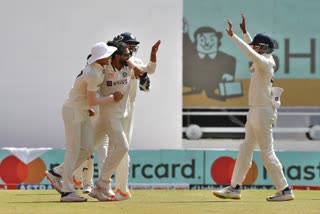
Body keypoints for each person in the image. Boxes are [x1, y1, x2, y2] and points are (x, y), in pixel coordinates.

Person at [213, 14, 295, 201]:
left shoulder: (265, 63)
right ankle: (234, 188)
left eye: (257, 46)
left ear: (264, 49)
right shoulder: (263, 58)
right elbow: (253, 49)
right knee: (246, 148)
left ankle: (285, 190)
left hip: (263, 111)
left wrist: (234, 36)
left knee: (267, 152)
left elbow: (250, 52)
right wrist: (244, 32)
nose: (254, 47)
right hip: (255, 110)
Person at [76, 33, 160, 200]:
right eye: (128, 45)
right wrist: (89, 107)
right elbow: (91, 80)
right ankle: (94, 182)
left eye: (133, 46)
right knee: (107, 147)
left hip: (125, 109)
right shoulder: (107, 63)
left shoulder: (131, 62)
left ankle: (115, 186)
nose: (131, 49)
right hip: (106, 108)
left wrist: (152, 55)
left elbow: (150, 70)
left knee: (109, 148)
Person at [45, 42, 121, 202]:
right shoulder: (92, 72)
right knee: (73, 149)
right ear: (100, 58)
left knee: (87, 149)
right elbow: (93, 100)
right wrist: (113, 98)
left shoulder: (97, 69)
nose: (109, 57)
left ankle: (56, 172)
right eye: (107, 55)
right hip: (72, 111)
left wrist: (86, 107)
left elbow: (88, 99)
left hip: (81, 110)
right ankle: (67, 191)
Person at [87, 41, 143, 201]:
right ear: (116, 55)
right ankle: (100, 183)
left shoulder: (126, 67)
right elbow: (90, 92)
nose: (130, 55)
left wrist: (146, 60)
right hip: (106, 116)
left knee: (89, 147)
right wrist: (110, 98)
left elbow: (149, 70)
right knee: (117, 147)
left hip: (116, 116)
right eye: (126, 53)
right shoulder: (100, 69)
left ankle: (101, 184)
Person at [183, 18, 236, 101]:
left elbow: (230, 76)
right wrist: (185, 33)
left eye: (211, 39)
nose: (207, 43)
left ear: (218, 41)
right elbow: (187, 46)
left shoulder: (229, 59)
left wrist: (229, 76)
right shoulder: (189, 57)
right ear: (196, 42)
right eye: (202, 39)